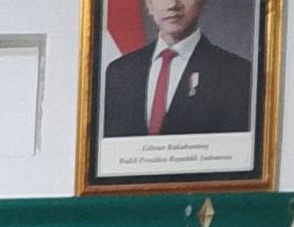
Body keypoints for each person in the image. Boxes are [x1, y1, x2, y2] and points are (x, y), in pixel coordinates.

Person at [101, 0, 255, 139]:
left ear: (202, 3)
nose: (173, 5)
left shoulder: (236, 74)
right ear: (148, 5)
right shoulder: (119, 72)